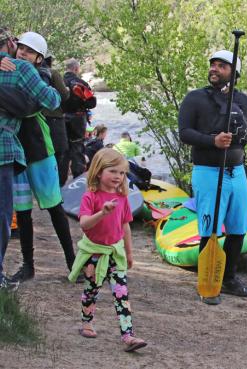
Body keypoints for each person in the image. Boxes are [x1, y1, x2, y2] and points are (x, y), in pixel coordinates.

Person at [178, 49, 247, 305]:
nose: (214, 69)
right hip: (207, 172)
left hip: (236, 172)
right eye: (212, 65)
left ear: (234, 73)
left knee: (238, 227)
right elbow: (184, 133)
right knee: (210, 229)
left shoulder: (243, 101)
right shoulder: (195, 99)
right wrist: (212, 141)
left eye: (221, 66)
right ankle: (208, 282)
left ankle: (228, 278)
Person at [3, 32, 77, 283]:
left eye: (29, 51)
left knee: (54, 206)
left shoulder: (42, 74)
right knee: (22, 211)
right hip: (15, 148)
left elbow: (36, 102)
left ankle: (72, 263)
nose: (22, 53)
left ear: (39, 58)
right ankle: (28, 266)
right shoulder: (10, 69)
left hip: (38, 149)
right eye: (20, 48)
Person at [68, 148, 147, 352]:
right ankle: (86, 322)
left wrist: (129, 253)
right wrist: (102, 213)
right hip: (95, 254)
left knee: (121, 293)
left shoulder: (122, 199)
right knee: (91, 290)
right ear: (98, 171)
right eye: (113, 171)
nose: (118, 177)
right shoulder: (90, 197)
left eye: (121, 173)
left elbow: (125, 226)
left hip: (116, 253)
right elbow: (85, 224)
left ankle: (128, 336)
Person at [63, 58, 96, 181]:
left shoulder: (58, 81)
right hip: (77, 119)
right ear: (76, 69)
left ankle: (61, 181)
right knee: (77, 147)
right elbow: (92, 102)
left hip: (60, 119)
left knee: (62, 149)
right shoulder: (80, 83)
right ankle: (78, 180)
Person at [42, 53, 71, 186]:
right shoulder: (53, 73)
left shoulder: (32, 72)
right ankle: (59, 185)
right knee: (60, 152)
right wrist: (68, 90)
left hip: (40, 118)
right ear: (50, 61)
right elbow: (64, 95)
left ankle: (46, 183)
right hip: (55, 118)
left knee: (45, 153)